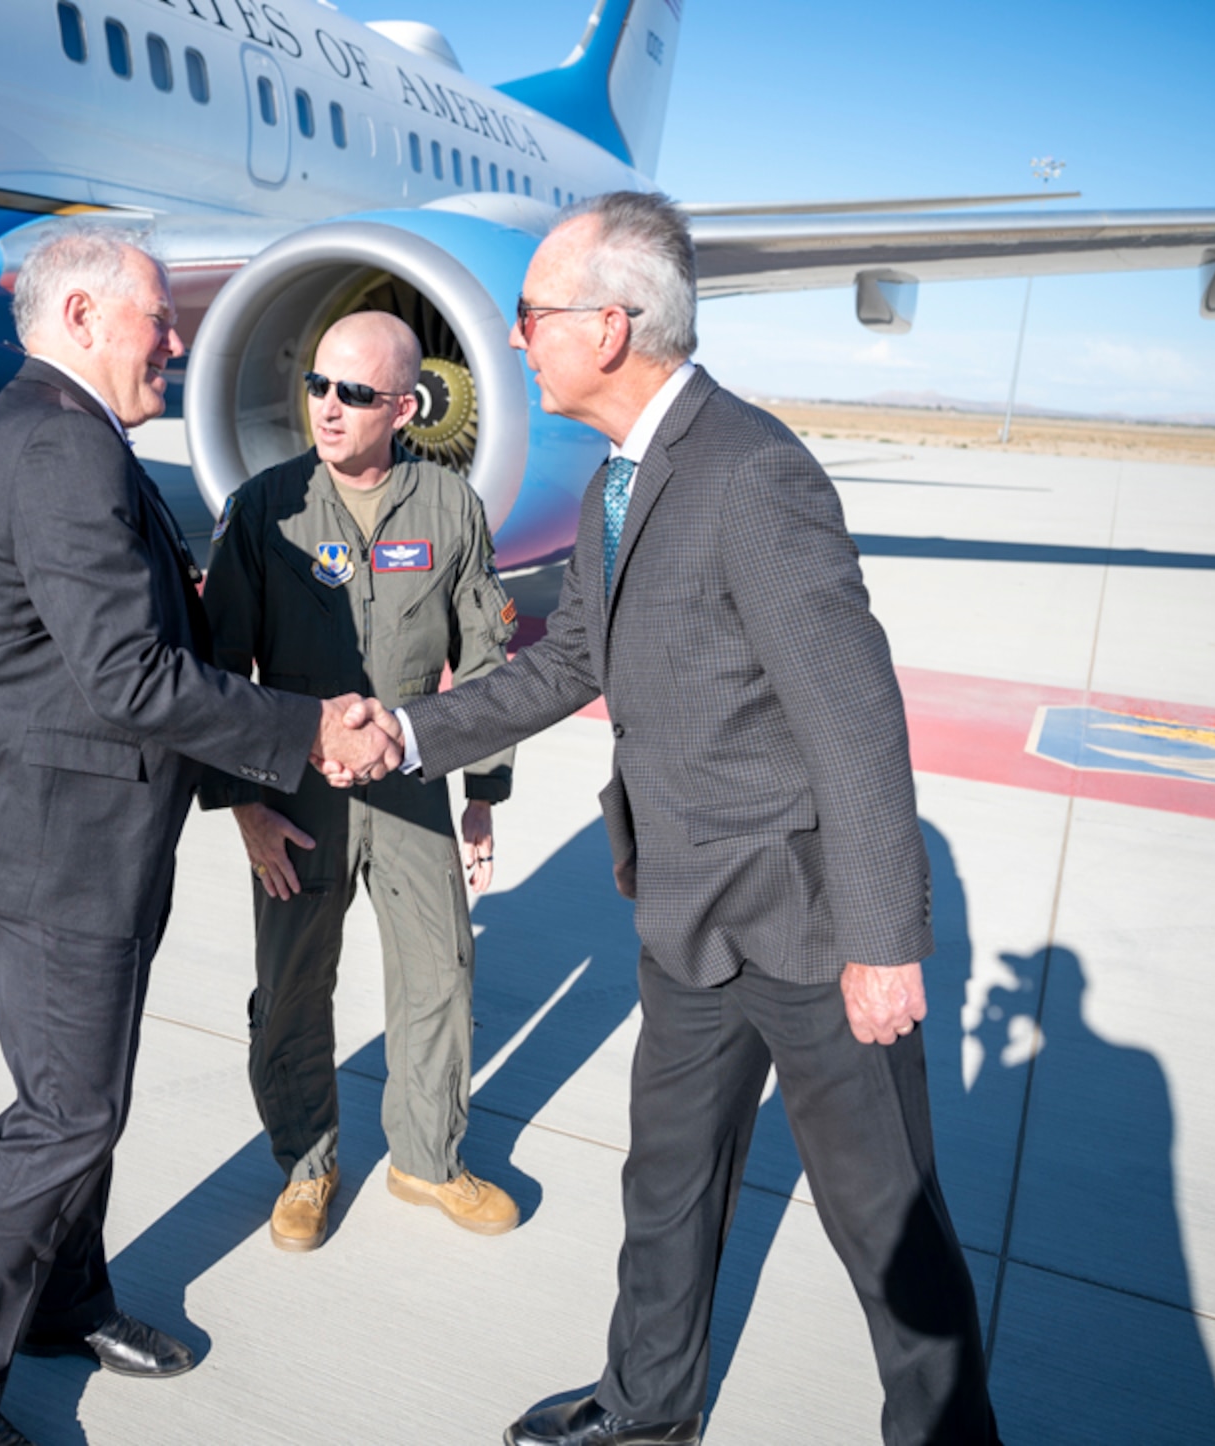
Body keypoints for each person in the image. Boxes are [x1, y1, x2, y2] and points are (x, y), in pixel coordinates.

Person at [376, 193, 1003, 1446]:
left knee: (885, 1223)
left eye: (532, 316)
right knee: (663, 1184)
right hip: (686, 915)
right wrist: (402, 734)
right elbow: (566, 668)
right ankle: (646, 1408)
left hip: (815, 934)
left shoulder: (751, 474)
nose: (512, 339)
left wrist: (882, 943)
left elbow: (854, 721)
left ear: (608, 328)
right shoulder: (625, 478)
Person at [0, 228, 401, 1446]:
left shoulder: (46, 430)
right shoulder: (62, 447)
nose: (175, 341)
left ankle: (65, 1301)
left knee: (87, 1097)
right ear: (78, 319)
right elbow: (129, 673)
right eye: (156, 320)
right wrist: (304, 729)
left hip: (64, 824)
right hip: (55, 842)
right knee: (63, 1114)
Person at [200, 311, 522, 1253]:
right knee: (293, 984)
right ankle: (307, 1166)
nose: (328, 410)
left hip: (415, 780)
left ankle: (428, 1160)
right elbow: (221, 674)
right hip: (297, 787)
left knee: (441, 974)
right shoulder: (267, 509)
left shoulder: (450, 507)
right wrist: (245, 806)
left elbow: (491, 661)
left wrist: (482, 797)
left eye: (353, 394)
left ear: (405, 407)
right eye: (317, 387)